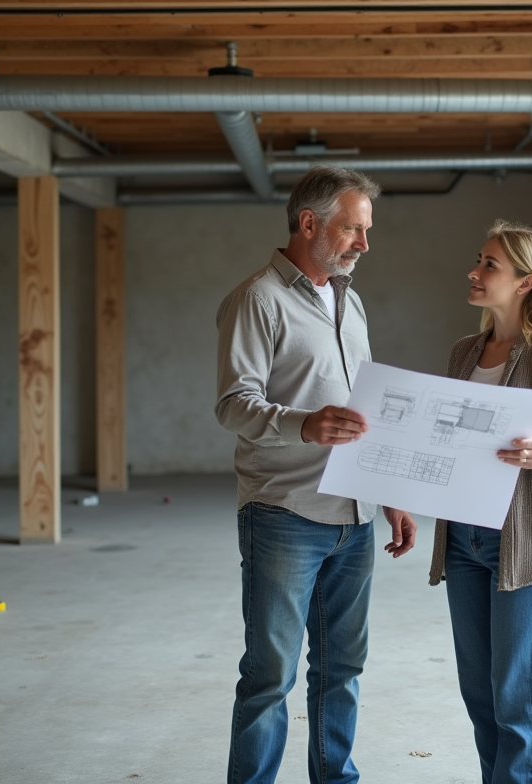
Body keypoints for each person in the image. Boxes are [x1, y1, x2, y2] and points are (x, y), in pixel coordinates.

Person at [215, 165, 417, 784]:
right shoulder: (256, 300)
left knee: (342, 669)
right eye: (354, 229)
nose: (363, 243)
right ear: (310, 223)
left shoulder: (348, 302)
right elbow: (233, 404)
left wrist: (390, 492)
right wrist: (304, 425)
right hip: (285, 514)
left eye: (365, 230)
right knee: (270, 675)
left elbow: (364, 412)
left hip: (354, 517)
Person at [428, 220, 532, 784]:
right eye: (479, 260)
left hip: (523, 548)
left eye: (490, 265)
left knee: (516, 705)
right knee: (480, 697)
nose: (474, 272)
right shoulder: (462, 353)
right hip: (464, 541)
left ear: (526, 282)